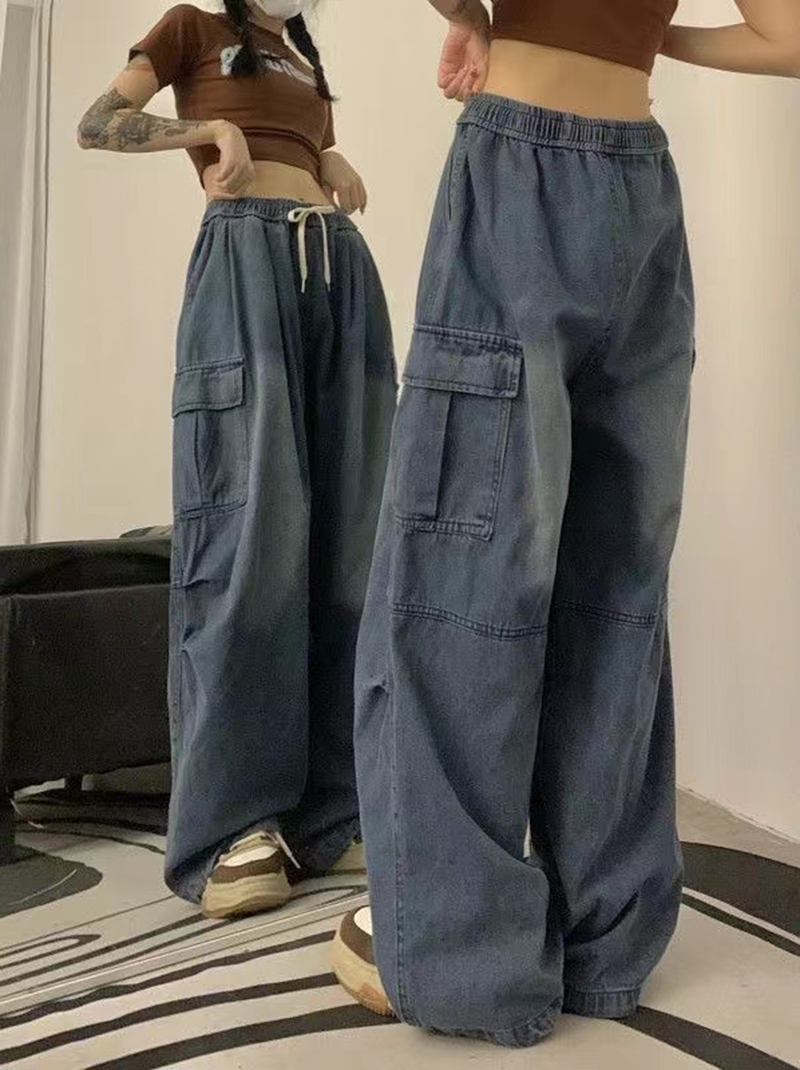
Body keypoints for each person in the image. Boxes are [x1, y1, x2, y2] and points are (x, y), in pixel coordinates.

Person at [332, 0, 800, 1048]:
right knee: (614, 579)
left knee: (459, 570)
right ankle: (604, 941)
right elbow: (790, 40)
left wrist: (478, 17)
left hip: (519, 172)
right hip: (640, 185)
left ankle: (464, 954)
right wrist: (648, 34)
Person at [77, 1, 397, 919]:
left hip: (337, 270)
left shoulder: (300, 52)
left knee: (351, 551)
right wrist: (205, 131)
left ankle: (332, 814)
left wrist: (325, 157)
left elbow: (297, 140)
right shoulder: (191, 27)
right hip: (245, 263)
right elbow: (98, 121)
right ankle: (230, 826)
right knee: (250, 539)